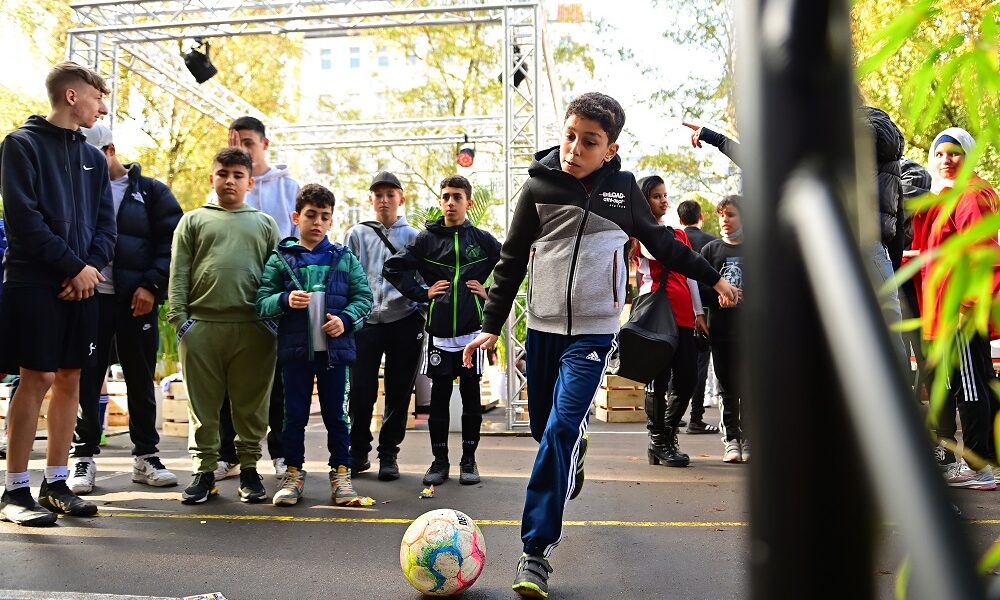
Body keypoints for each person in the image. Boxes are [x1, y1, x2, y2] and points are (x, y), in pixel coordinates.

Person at [462, 92, 739, 598]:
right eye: (570, 136)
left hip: (594, 333)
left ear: (610, 148)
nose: (574, 148)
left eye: (589, 142)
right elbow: (510, 260)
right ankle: (573, 453)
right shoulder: (538, 187)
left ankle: (534, 553)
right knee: (548, 433)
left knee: (562, 428)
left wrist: (714, 279)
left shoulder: (624, 191)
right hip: (543, 329)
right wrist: (489, 324)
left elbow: (665, 245)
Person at [0, 61, 115, 526]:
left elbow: (106, 225)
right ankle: (14, 492)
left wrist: (86, 270)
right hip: (34, 282)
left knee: (71, 378)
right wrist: (74, 268)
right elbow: (23, 221)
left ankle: (56, 483)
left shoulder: (92, 157)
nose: (101, 107)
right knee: (37, 378)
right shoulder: (20, 145)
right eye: (96, 97)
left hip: (81, 284)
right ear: (72, 97)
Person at [67, 123, 183, 493]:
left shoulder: (151, 192)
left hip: (138, 301)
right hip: (90, 300)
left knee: (139, 376)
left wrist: (152, 285)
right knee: (86, 377)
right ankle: (82, 457)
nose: (85, 164)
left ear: (111, 150)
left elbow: (173, 244)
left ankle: (146, 456)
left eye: (92, 156)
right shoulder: (77, 192)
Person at [168, 147, 280, 505]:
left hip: (254, 329)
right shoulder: (193, 220)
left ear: (250, 181)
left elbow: (275, 276)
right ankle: (204, 472)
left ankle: (249, 469)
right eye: (222, 173)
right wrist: (181, 321)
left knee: (251, 405)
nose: (229, 181)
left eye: (237, 175)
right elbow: (179, 273)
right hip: (202, 327)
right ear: (212, 178)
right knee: (203, 406)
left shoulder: (264, 224)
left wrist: (270, 322)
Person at [256, 183, 373, 506]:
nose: (317, 222)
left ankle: (341, 474)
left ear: (332, 221)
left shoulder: (344, 258)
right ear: (296, 217)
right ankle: (293, 474)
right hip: (295, 354)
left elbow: (364, 299)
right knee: (294, 416)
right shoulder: (281, 259)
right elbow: (261, 302)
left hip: (335, 354)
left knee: (337, 416)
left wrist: (345, 320)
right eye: (311, 215)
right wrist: (284, 298)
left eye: (324, 216)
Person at [383, 175, 501, 486]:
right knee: (439, 400)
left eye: (457, 197)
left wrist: (490, 293)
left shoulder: (483, 240)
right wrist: (423, 293)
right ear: (440, 202)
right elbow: (392, 267)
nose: (451, 202)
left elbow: (510, 266)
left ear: (469, 203)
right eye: (446, 196)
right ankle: (439, 461)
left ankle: (469, 460)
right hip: (438, 334)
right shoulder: (426, 240)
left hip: (472, 334)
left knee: (472, 398)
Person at [912, 128, 1000, 490]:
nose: (946, 161)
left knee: (972, 387)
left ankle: (980, 466)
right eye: (939, 154)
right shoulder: (960, 194)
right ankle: (986, 463)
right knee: (978, 383)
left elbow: (982, 256)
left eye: (954, 153)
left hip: (961, 311)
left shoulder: (970, 195)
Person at [215, 116, 300, 482]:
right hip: (231, 300)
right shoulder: (222, 186)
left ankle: (281, 453)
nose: (243, 149)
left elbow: (297, 242)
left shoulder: (288, 187)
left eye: (248, 143)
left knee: (278, 381)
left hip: (276, 300)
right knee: (226, 383)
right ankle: (226, 454)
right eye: (236, 143)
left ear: (265, 144)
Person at [345, 171, 425, 481]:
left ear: (401, 199)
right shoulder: (357, 235)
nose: (384, 200)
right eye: (378, 195)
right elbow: (346, 277)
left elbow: (425, 280)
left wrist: (419, 308)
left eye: (390, 194)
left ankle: (389, 454)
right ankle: (358, 452)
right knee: (361, 389)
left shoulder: (415, 237)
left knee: (398, 391)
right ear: (370, 200)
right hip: (365, 323)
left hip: (404, 321)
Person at [630, 176, 707, 467]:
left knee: (688, 378)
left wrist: (699, 313)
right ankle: (659, 442)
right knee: (658, 382)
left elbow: (690, 275)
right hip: (656, 316)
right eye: (655, 196)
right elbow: (664, 254)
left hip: (685, 316)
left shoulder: (679, 234)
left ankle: (668, 432)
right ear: (643, 201)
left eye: (665, 195)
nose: (664, 200)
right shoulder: (641, 235)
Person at [700, 196, 748, 463]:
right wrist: (715, 297)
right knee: (727, 385)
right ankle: (731, 439)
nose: (725, 220)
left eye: (730, 214)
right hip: (722, 331)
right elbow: (698, 286)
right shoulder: (710, 250)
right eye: (721, 215)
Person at [676, 199, 720, 434]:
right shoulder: (714, 243)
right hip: (707, 310)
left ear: (680, 220)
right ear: (700, 217)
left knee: (675, 361)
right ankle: (696, 417)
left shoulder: (671, 240)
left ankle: (671, 415)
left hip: (679, 309)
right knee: (701, 365)